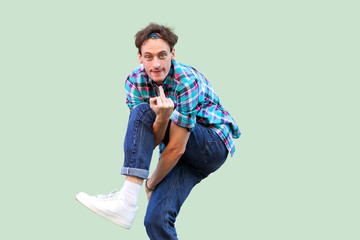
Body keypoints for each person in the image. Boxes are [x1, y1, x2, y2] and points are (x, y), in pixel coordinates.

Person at [76, 23, 241, 239]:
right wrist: (162, 118)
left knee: (143, 112)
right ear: (139, 57)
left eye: (162, 55)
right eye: (149, 56)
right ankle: (126, 203)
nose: (156, 64)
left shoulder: (186, 80)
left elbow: (177, 148)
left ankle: (126, 199)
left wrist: (151, 182)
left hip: (211, 143)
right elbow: (145, 142)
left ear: (172, 54)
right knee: (155, 220)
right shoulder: (134, 82)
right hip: (179, 150)